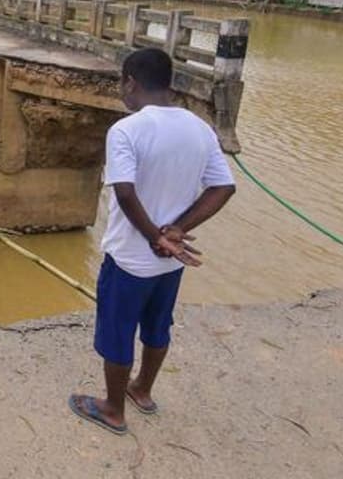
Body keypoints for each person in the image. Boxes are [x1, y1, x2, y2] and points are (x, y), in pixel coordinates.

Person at [69, 47, 236, 435]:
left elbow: (125, 192)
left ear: (130, 82)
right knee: (158, 327)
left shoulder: (127, 129)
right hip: (171, 262)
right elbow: (223, 187)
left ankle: (112, 409)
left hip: (130, 259)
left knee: (117, 331)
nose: (122, 92)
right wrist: (175, 231)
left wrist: (155, 237)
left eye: (121, 85)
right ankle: (141, 390)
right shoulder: (199, 128)